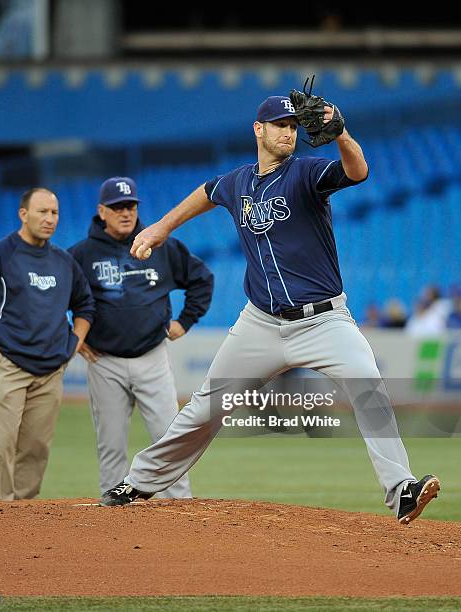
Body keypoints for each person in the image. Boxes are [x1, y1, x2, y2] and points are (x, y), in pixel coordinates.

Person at [100, 95, 440, 524]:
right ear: (258, 130)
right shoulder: (239, 181)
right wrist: (161, 227)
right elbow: (207, 192)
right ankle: (141, 482)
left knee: (368, 386)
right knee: (206, 407)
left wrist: (342, 135)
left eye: (294, 125)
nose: (288, 132)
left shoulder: (306, 173)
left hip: (324, 321)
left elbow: (358, 171)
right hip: (260, 322)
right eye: (279, 124)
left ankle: (401, 489)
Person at [0, 188, 95, 502]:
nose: (49, 219)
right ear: (23, 214)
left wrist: (73, 344)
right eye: (42, 212)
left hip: (50, 370)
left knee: (35, 449)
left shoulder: (63, 261)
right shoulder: (0, 254)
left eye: (54, 213)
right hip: (8, 365)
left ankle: (22, 521)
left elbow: (85, 305)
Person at [69, 176, 213, 501]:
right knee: (111, 444)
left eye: (131, 205)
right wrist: (73, 336)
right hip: (105, 362)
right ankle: (114, 516)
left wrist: (185, 322)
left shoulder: (161, 245)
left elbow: (202, 279)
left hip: (152, 357)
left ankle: (177, 508)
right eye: (118, 207)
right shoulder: (81, 254)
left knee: (169, 439)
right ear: (101, 211)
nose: (126, 212)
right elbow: (54, 300)